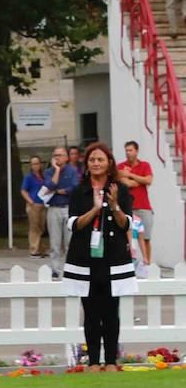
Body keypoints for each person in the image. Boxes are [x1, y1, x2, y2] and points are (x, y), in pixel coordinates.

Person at [65, 142, 137, 370]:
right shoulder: (79, 191)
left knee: (111, 312)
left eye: (100, 160)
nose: (96, 163)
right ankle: (95, 361)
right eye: (92, 160)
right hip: (85, 259)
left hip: (112, 259)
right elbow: (74, 224)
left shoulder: (121, 190)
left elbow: (127, 224)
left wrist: (114, 206)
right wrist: (95, 209)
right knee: (90, 313)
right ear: (86, 165)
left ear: (109, 164)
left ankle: (112, 359)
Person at [117, 141, 154, 268]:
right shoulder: (120, 166)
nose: (128, 153)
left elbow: (148, 180)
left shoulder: (145, 165)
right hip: (127, 207)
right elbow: (125, 183)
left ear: (136, 151)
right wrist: (138, 180)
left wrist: (130, 175)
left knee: (146, 237)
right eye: (126, 150)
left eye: (130, 150)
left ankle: (147, 264)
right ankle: (128, 264)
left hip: (144, 206)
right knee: (127, 238)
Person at [44, 147, 79, 280]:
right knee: (55, 241)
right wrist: (57, 170)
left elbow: (74, 188)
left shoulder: (72, 171)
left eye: (60, 155)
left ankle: (69, 268)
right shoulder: (49, 171)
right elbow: (50, 186)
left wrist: (59, 191)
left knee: (70, 240)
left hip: (69, 207)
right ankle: (55, 269)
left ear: (66, 157)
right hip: (54, 208)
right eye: (55, 155)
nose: (57, 157)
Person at [20, 155, 48, 257]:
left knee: (41, 227)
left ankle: (39, 248)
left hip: (42, 204)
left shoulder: (43, 176)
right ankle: (33, 249)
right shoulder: (29, 177)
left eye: (37, 163)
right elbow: (23, 190)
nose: (35, 166)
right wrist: (30, 201)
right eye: (33, 164)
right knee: (34, 227)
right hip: (33, 204)